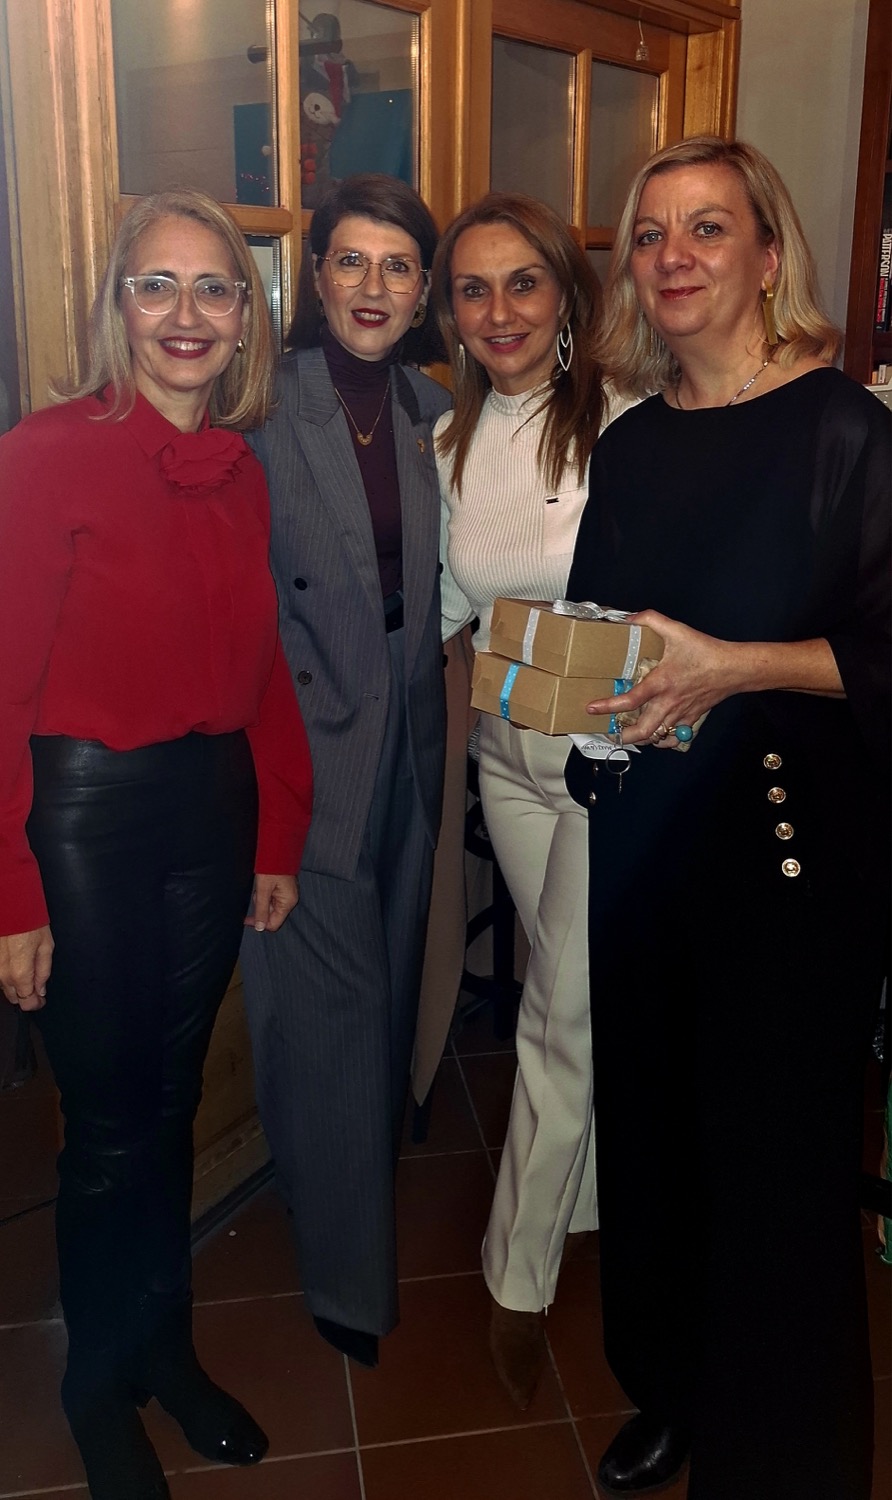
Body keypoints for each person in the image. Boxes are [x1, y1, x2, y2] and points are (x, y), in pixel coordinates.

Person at [564, 136, 891, 1499]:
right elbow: (597, 630)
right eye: (650, 234)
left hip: (790, 863)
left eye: (707, 228)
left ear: (767, 254)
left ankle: (782, 1455)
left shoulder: (844, 431)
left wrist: (733, 667)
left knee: (776, 1172)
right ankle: (675, 1389)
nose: (674, 256)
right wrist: (568, 696)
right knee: (654, 1142)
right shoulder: (631, 444)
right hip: (648, 848)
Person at [0, 188, 313, 1500]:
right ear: (117, 307)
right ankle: (96, 1384)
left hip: (210, 805)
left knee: (173, 1102)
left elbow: (263, 670)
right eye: (157, 285)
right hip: (83, 818)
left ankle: (163, 1350)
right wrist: (12, 889)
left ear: (248, 316)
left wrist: (278, 828)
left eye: (214, 287)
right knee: (109, 1124)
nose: (187, 314)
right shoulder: (44, 455)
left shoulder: (240, 468)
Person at [239, 174, 451, 1369]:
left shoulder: (433, 406)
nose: (374, 286)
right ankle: (347, 1284)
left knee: (384, 990)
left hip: (410, 742)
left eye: (398, 266)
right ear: (315, 278)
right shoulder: (263, 408)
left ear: (422, 293)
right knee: (333, 1014)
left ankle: (331, 1186)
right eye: (351, 262)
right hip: (305, 747)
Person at [431, 192, 623, 1409]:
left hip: (608, 761)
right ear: (450, 312)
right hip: (503, 758)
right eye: (473, 288)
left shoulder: (625, 421)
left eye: (523, 283)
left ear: (564, 295)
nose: (499, 311)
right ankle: (586, 1195)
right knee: (567, 988)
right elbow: (451, 605)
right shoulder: (448, 443)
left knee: (558, 1014)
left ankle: (516, 1275)